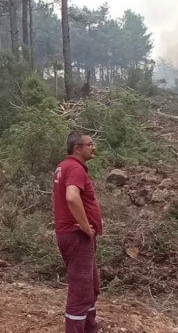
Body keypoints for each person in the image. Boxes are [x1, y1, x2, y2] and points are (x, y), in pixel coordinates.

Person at [52, 131, 103, 333]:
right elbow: (72, 197)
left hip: (72, 235)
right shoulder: (75, 168)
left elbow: (58, 199)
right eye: (89, 144)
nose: (93, 147)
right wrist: (83, 226)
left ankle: (90, 327)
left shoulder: (64, 167)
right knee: (81, 291)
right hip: (77, 237)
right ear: (77, 148)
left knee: (91, 286)